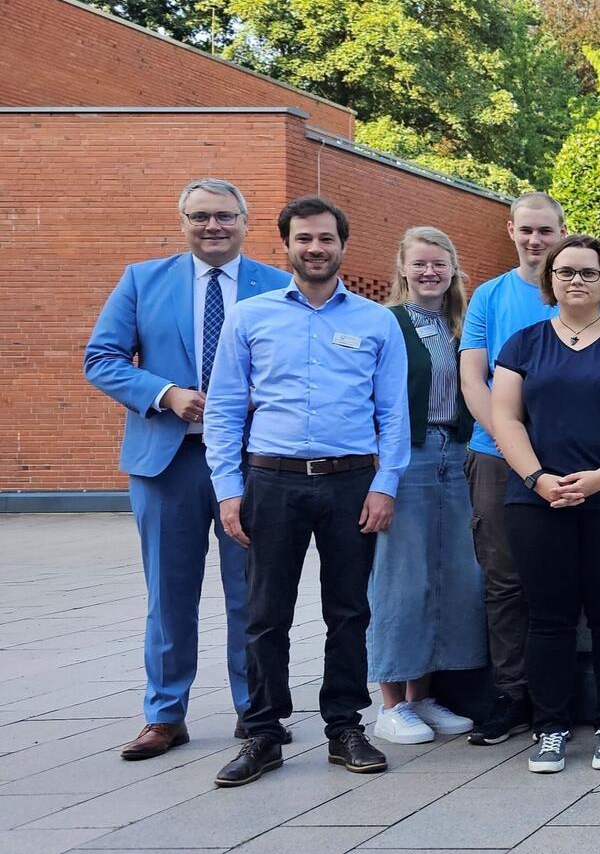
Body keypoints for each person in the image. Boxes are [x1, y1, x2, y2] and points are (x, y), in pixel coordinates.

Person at [206, 197, 408, 787]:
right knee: (266, 613)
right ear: (287, 246)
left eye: (326, 239)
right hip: (270, 480)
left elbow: (393, 414)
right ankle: (263, 732)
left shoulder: (376, 322)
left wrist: (386, 484)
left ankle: (345, 725)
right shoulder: (252, 317)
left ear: (343, 245)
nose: (315, 248)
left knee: (349, 610)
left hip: (352, 483)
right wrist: (228, 489)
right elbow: (222, 409)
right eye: (304, 239)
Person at [84, 178, 290, 761]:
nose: (213, 227)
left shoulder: (277, 287)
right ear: (183, 222)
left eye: (225, 217)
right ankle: (164, 713)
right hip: (166, 461)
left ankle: (257, 712)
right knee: (169, 593)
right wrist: (166, 393)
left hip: (252, 461)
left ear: (246, 222)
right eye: (200, 217)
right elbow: (101, 359)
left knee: (252, 594)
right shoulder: (142, 280)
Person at [491, 235, 600, 774]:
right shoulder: (523, 344)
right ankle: (551, 727)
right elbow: (506, 418)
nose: (575, 281)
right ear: (550, 281)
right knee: (548, 618)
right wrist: (538, 477)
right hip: (537, 501)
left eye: (588, 273)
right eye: (565, 272)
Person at [369, 227, 487, 745]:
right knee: (401, 576)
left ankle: (422, 697)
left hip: (458, 454)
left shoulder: (462, 325)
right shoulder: (386, 324)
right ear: (402, 268)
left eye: (439, 263)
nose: (429, 272)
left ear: (454, 269)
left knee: (453, 575)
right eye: (420, 264)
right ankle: (390, 702)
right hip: (407, 456)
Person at [458, 192, 569, 745]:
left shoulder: (580, 289)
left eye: (545, 231)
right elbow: (473, 379)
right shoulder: (488, 296)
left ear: (561, 231)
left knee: (560, 577)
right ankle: (511, 695)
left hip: (568, 463)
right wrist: (514, 443)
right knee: (503, 581)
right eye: (526, 230)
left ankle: (559, 696)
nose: (535, 240)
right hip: (497, 457)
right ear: (511, 230)